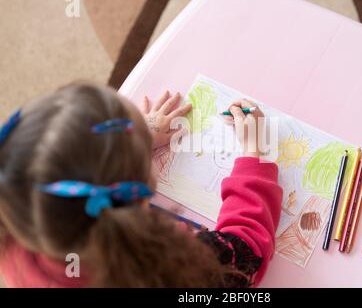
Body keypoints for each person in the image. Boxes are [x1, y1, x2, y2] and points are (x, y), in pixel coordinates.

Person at [0, 83, 282, 287]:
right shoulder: (169, 267)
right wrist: (253, 153)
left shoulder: (16, 233)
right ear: (139, 187)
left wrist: (136, 141)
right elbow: (247, 253)